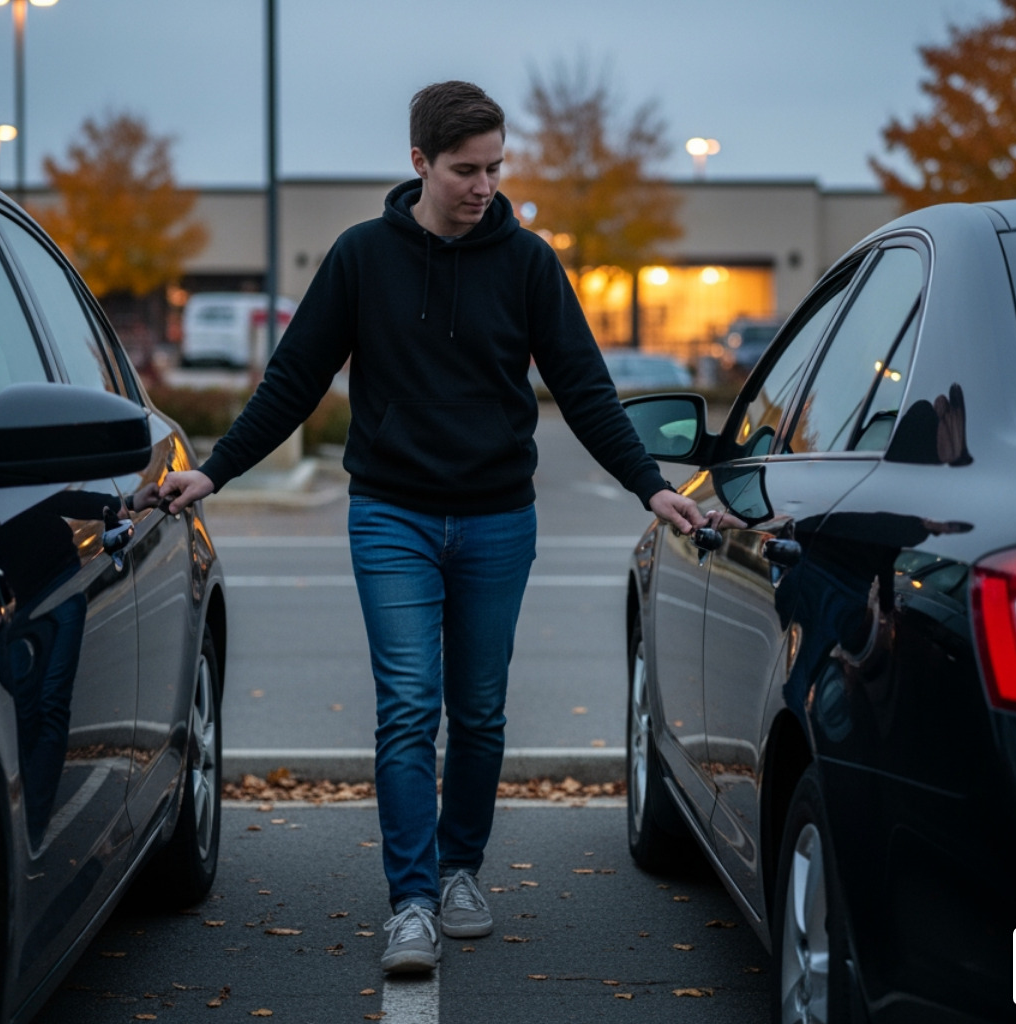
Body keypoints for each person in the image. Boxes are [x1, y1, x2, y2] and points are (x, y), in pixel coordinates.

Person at [160, 81, 710, 974]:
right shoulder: (360, 258)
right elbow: (294, 381)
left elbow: (584, 387)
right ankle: (411, 901)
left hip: (499, 520)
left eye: (496, 167)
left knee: (480, 712)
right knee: (410, 707)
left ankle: (461, 872)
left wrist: (652, 486)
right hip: (393, 516)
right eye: (466, 169)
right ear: (419, 162)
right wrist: (214, 471)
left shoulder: (528, 264)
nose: (485, 186)